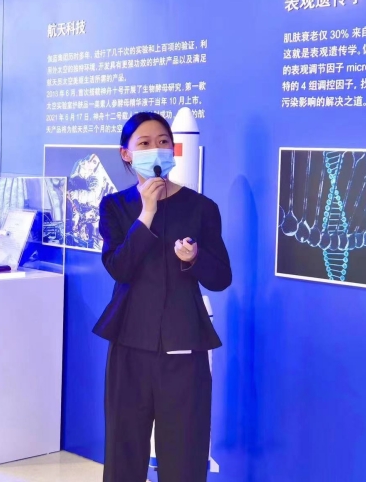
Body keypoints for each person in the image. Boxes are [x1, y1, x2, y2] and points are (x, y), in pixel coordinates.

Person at [93, 112, 232, 482]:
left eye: (163, 142)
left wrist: (195, 258)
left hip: (184, 344)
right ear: (126, 154)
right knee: (123, 449)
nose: (156, 149)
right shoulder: (115, 207)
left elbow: (221, 277)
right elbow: (120, 268)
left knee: (185, 451)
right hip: (129, 343)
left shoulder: (201, 207)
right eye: (144, 143)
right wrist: (148, 212)